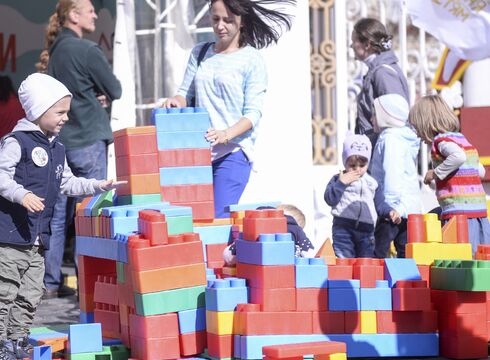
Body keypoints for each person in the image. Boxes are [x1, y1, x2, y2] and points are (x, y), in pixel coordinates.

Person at [0, 73, 124, 360]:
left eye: (67, 112)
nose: (66, 118)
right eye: (60, 112)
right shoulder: (17, 141)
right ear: (38, 111)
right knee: (4, 289)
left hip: (36, 238)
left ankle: (15, 342)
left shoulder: (57, 147)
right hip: (8, 234)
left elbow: (66, 183)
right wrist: (21, 195)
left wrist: (97, 186)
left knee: (31, 292)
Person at [164, 0, 294, 218]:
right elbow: (185, 93)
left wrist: (225, 134)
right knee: (192, 220)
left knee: (217, 219)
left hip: (233, 152)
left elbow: (252, 115)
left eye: (228, 20)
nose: (220, 26)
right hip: (198, 154)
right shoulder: (200, 52)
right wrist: (176, 101)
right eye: (215, 19)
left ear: (241, 21)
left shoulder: (252, 60)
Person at [42, 0, 122, 298]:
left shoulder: (56, 53)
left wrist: (87, 94)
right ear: (74, 16)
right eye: (89, 10)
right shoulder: (87, 50)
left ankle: (50, 281)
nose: (95, 14)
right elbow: (115, 89)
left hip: (61, 140)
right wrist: (95, 96)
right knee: (90, 213)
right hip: (88, 138)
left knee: (58, 215)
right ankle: (89, 284)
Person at [409, 94, 490, 253]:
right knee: (481, 257)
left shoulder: (441, 142)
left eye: (417, 128)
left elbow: (458, 157)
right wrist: (438, 182)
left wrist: (435, 173)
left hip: (459, 215)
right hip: (478, 212)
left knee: (461, 258)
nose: (417, 135)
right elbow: (478, 170)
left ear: (427, 124)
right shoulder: (461, 139)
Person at [369, 94, 421, 258]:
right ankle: (405, 282)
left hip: (394, 208)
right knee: (405, 252)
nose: (371, 119)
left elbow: (393, 172)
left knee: (378, 252)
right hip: (407, 208)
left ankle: (376, 282)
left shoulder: (391, 139)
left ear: (387, 117)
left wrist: (390, 208)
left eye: (375, 114)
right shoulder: (401, 137)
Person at [324, 133, 392, 258]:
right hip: (343, 228)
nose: (358, 169)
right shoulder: (338, 179)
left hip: (366, 230)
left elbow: (380, 204)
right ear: (345, 162)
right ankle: (344, 278)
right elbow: (329, 199)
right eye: (352, 165)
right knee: (344, 259)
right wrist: (341, 183)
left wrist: (390, 212)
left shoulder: (372, 183)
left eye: (362, 165)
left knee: (365, 262)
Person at [351, 18, 409, 147]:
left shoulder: (383, 73)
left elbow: (395, 119)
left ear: (367, 45)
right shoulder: (376, 71)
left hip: (383, 153)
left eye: (354, 41)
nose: (351, 46)